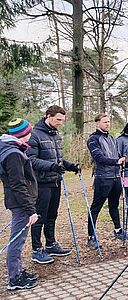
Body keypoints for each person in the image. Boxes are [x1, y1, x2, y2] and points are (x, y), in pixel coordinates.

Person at [27, 105, 81, 264]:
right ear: (48, 116)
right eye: (58, 119)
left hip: (55, 181)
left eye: (63, 120)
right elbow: (31, 160)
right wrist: (51, 167)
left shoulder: (56, 135)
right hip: (42, 183)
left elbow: (56, 159)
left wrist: (70, 166)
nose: (60, 123)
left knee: (52, 214)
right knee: (40, 216)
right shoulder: (34, 135)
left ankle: (51, 244)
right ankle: (37, 249)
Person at [0, 118, 39, 290]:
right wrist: (30, 209)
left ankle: (18, 272)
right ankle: (14, 279)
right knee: (17, 240)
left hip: (19, 202)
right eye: (29, 132)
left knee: (19, 239)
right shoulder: (14, 154)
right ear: (24, 134)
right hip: (21, 204)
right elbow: (17, 184)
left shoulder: (11, 149)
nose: (31, 135)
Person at [86, 113, 128, 249]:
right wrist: (117, 161)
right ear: (97, 123)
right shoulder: (93, 139)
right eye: (104, 122)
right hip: (103, 178)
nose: (107, 124)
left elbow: (117, 155)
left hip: (116, 177)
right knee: (96, 208)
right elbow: (99, 158)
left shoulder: (111, 138)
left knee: (114, 205)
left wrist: (126, 161)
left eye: (108, 122)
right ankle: (91, 237)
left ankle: (118, 230)